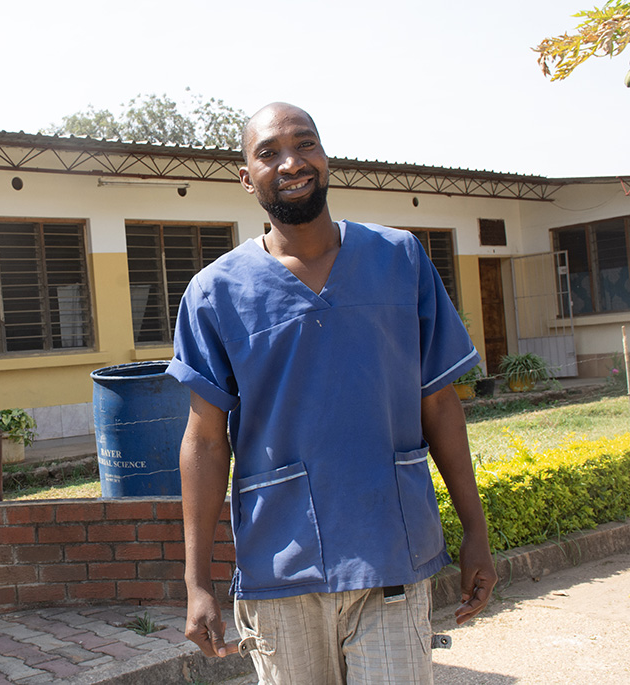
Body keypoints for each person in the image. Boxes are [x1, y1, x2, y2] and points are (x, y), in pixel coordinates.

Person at [168, 103, 496, 684]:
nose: (291, 162)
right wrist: (198, 583)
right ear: (246, 177)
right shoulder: (214, 293)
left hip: (391, 549)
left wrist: (475, 530)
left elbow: (439, 402)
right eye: (268, 153)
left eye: (306, 144)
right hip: (281, 569)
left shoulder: (399, 259)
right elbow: (204, 439)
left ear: (325, 158)